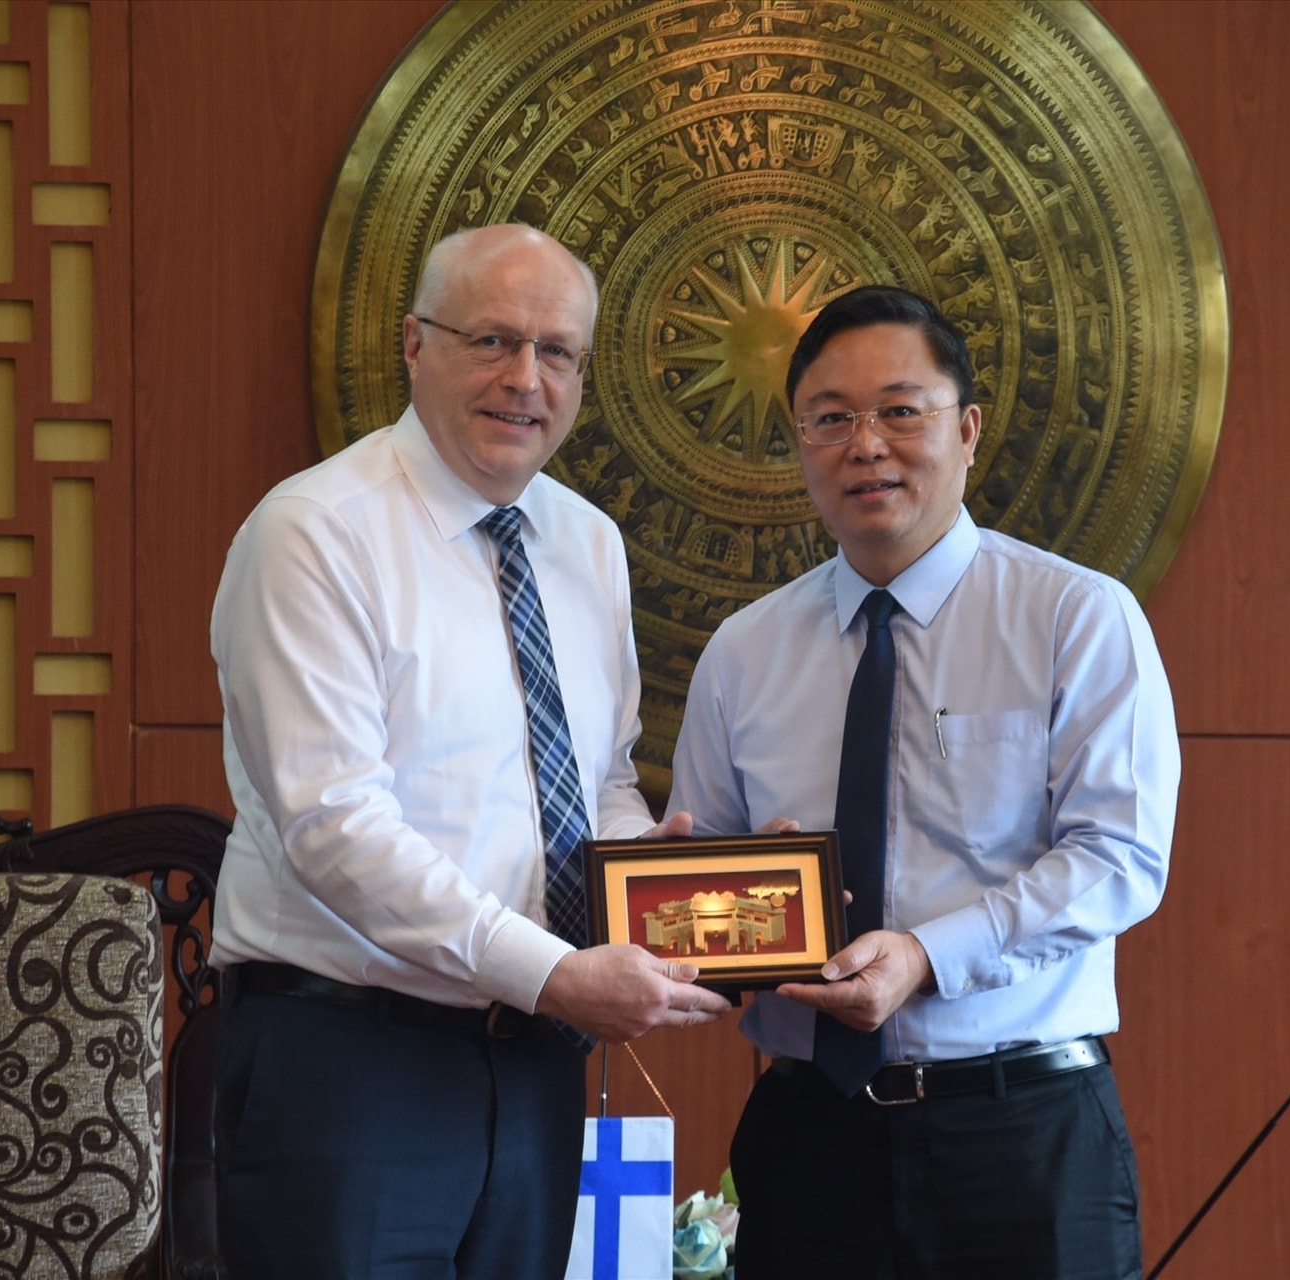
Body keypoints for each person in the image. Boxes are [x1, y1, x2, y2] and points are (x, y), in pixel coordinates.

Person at [208, 223, 731, 1280]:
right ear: (414, 344)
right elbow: (334, 826)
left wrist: (658, 888)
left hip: (532, 1063)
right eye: (492, 339)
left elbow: (602, 778)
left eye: (557, 352)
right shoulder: (315, 530)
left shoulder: (587, 542)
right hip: (350, 1063)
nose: (524, 379)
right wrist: (554, 973)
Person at [668, 285, 1181, 1280]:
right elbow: (704, 881)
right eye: (831, 417)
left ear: (968, 428)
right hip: (807, 1134)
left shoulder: (1075, 616)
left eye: (902, 409)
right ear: (800, 439)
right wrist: (707, 910)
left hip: (1019, 1132)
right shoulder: (744, 651)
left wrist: (925, 955)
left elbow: (1120, 858)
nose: (867, 444)